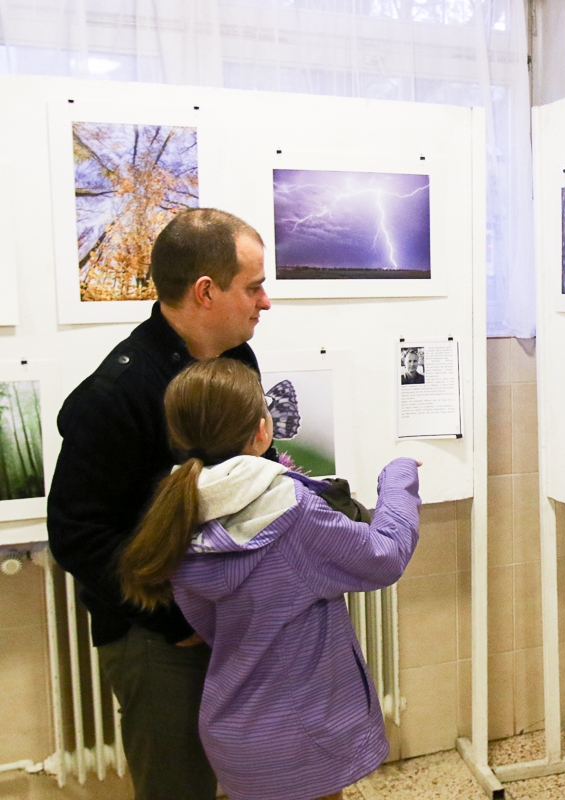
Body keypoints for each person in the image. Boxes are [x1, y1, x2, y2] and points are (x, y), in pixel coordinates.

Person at [119, 359, 420, 800]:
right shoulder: (293, 512)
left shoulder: (177, 516)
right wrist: (398, 478)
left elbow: (206, 623)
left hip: (237, 736)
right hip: (304, 734)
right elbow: (386, 556)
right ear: (263, 432)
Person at [47, 208, 271, 800]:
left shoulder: (236, 360)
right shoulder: (115, 395)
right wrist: (176, 621)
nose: (265, 301)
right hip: (158, 637)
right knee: (179, 787)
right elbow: (76, 534)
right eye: (253, 287)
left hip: (228, 619)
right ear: (206, 291)